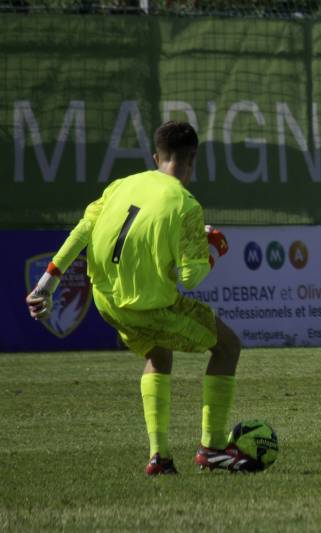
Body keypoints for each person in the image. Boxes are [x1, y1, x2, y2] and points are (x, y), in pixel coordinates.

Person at [26, 121, 258, 475]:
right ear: (193, 157)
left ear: (155, 157)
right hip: (151, 307)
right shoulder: (186, 205)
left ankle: (159, 457)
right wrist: (214, 248)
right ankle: (212, 448)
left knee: (157, 353)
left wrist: (46, 284)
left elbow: (84, 229)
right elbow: (191, 278)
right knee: (227, 347)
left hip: (108, 303)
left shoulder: (123, 185)